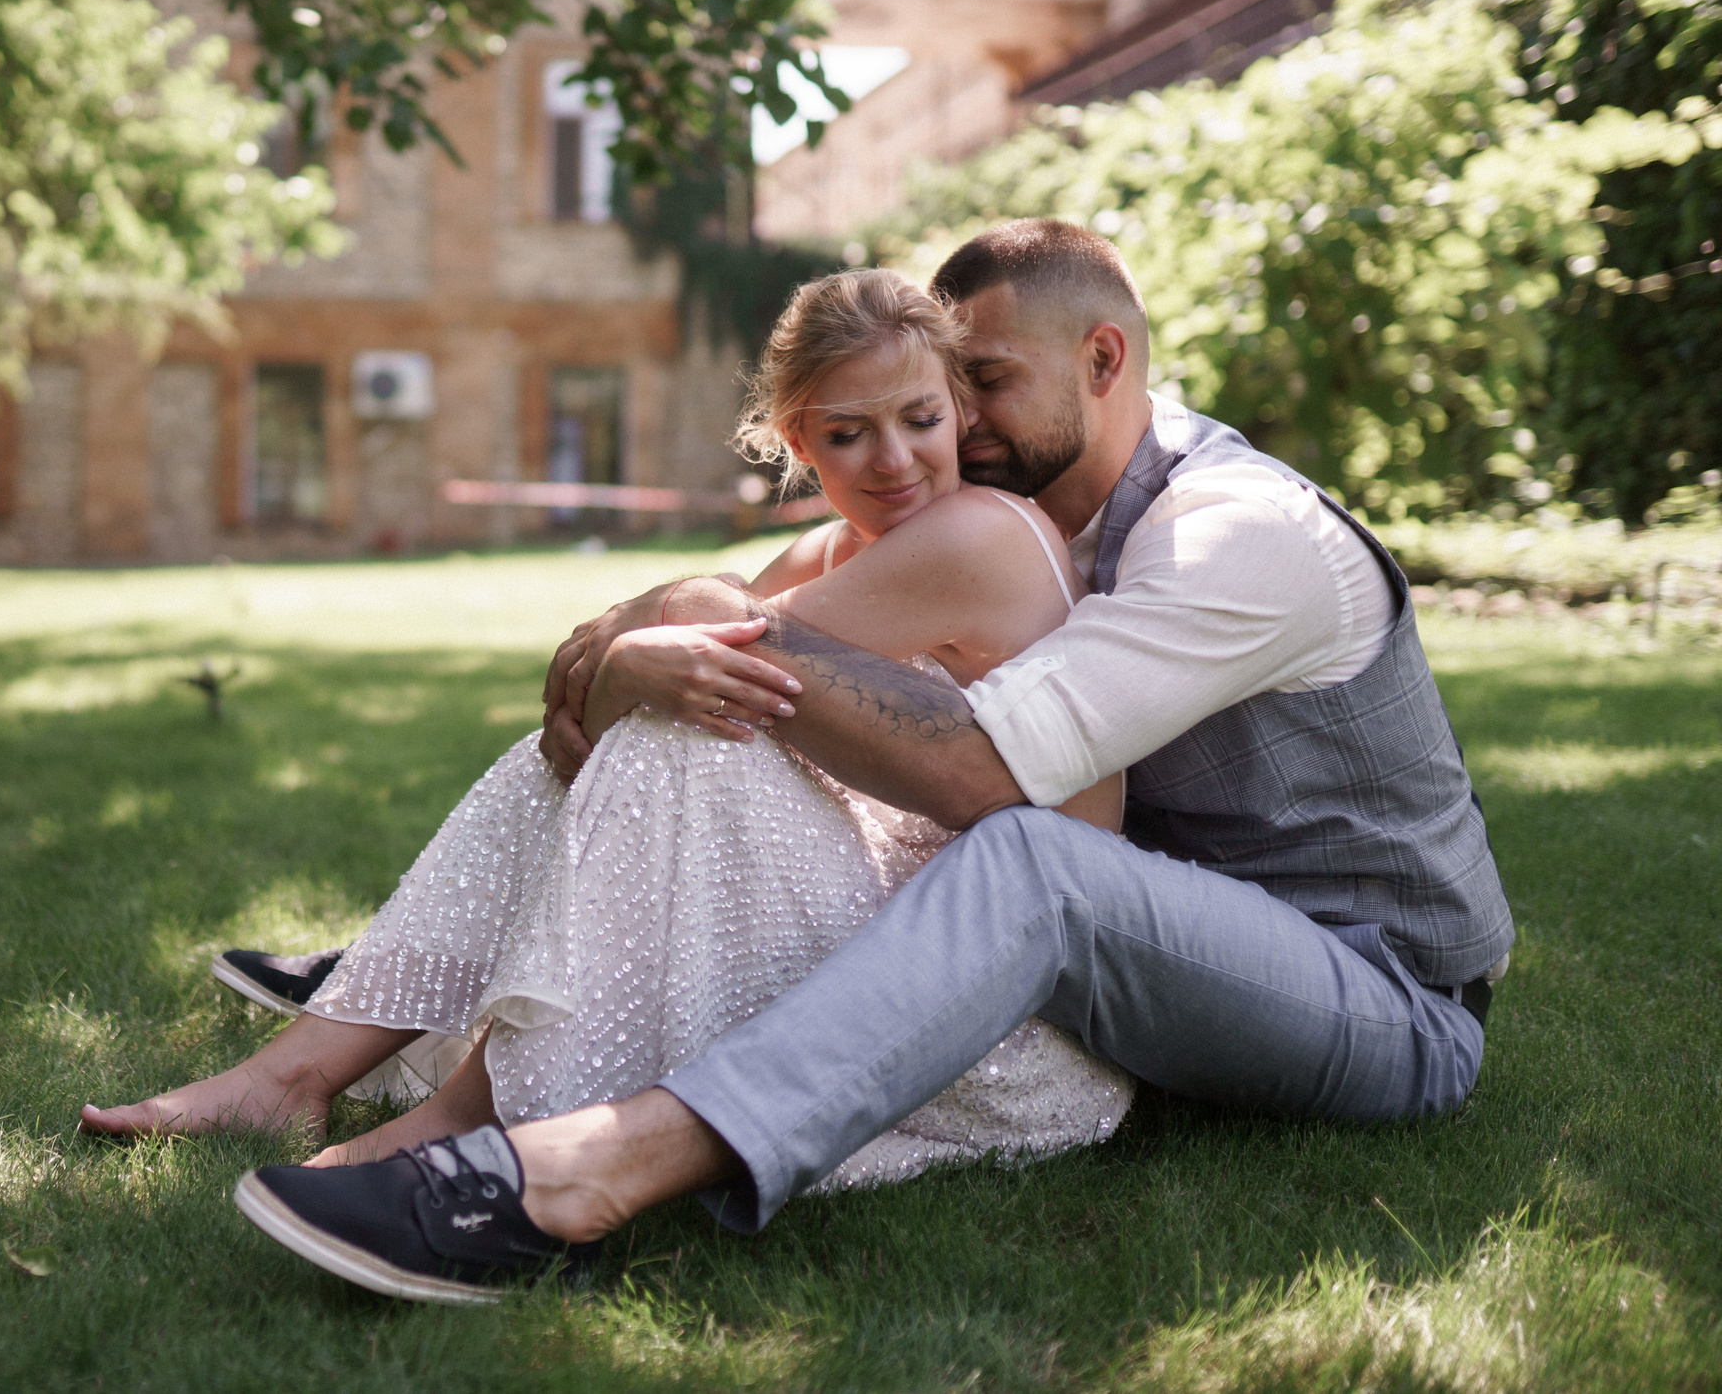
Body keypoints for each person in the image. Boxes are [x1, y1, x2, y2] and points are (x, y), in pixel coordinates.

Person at [230, 217, 1513, 1306]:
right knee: (731, 722)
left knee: (1024, 856)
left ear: (1103, 359)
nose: (954, 418)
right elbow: (783, 623)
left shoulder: (1238, 537)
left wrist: (658, 629)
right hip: (1166, 954)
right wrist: (662, 627)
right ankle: (397, 997)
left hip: (1373, 991)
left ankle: (592, 1169)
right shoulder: (1043, 509)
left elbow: (973, 771)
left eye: (981, 383)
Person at [82, 268, 1133, 1194]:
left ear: (956, 406)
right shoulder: (834, 549)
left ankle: (455, 1117)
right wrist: (625, 660)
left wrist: (622, 653)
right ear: (797, 442)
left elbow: (673, 650)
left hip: (997, 1030)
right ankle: (295, 1078)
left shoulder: (977, 534)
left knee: (689, 730)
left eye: (917, 418)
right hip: (898, 956)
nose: (892, 459)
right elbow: (617, 682)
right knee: (676, 723)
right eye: (846, 434)